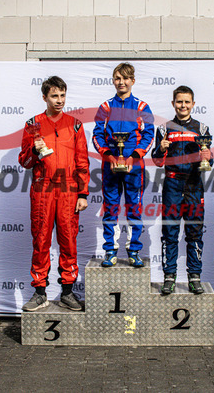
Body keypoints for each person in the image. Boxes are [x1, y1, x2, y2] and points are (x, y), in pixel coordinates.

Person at [19, 76, 90, 312]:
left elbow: (82, 161)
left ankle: (67, 292)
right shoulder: (33, 124)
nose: (59, 100)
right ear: (44, 97)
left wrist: (83, 193)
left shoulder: (75, 125)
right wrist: (34, 150)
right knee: (41, 240)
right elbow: (25, 162)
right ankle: (40, 293)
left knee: (68, 240)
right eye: (54, 96)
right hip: (43, 188)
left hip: (69, 189)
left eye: (62, 95)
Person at [151, 85, 212, 295]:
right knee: (170, 232)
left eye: (187, 102)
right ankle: (169, 276)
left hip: (194, 184)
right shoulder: (164, 128)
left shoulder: (201, 129)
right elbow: (157, 161)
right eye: (179, 102)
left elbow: (209, 161)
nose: (183, 105)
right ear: (173, 103)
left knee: (194, 232)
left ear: (193, 104)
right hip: (172, 185)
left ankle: (194, 277)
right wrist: (160, 149)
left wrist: (207, 156)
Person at [92, 62, 154, 267]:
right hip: (110, 165)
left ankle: (133, 250)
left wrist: (134, 156)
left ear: (133, 81)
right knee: (110, 208)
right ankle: (110, 250)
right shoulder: (105, 107)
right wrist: (109, 156)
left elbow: (149, 135)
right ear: (113, 81)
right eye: (118, 78)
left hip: (134, 166)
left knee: (134, 208)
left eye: (126, 78)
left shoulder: (142, 107)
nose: (121, 82)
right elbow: (97, 135)